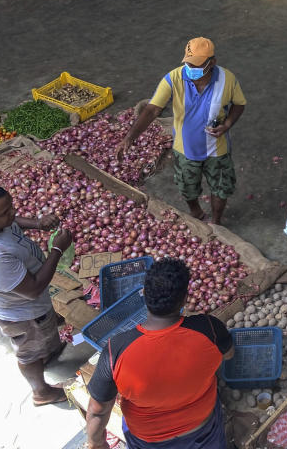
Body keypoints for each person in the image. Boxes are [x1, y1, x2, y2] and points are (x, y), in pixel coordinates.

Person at [85, 258, 234, 449]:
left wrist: (96, 443)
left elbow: (97, 412)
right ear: (184, 299)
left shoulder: (116, 350)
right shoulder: (209, 329)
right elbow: (228, 355)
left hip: (147, 440)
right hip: (202, 429)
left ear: (144, 294)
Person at [0, 183, 73, 406]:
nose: (12, 214)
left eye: (11, 208)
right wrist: (57, 250)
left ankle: (46, 353)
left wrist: (37, 224)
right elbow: (34, 289)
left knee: (40, 340)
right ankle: (41, 392)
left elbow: (11, 221)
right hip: (21, 312)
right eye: (5, 213)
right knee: (28, 352)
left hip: (18, 300)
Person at [117, 38, 246, 225]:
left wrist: (227, 125)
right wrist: (129, 138)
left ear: (212, 63)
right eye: (188, 62)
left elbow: (239, 104)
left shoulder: (227, 79)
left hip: (217, 149)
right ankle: (197, 212)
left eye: (197, 64)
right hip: (185, 149)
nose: (190, 67)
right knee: (188, 187)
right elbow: (153, 109)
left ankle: (217, 222)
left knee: (221, 188)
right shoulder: (173, 78)